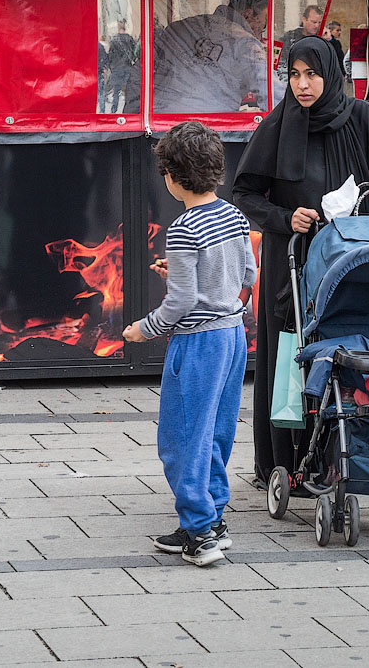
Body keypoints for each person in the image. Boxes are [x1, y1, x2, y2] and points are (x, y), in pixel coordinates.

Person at [233, 36, 369, 487]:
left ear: (331, 73)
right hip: (293, 259)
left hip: (351, 256)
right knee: (291, 353)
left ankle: (353, 449)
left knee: (347, 344)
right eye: (293, 75)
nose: (303, 84)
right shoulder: (277, 125)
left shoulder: (359, 116)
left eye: (311, 73)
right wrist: (283, 216)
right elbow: (244, 193)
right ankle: (288, 462)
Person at [123, 122, 257, 566]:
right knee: (216, 431)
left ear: (173, 176)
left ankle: (199, 534)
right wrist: (216, 300)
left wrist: (146, 328)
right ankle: (212, 517)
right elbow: (247, 277)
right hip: (232, 338)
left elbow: (179, 303)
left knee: (182, 438)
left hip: (197, 345)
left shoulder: (183, 229)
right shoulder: (234, 215)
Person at [126, 0, 283, 114]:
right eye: (263, 25)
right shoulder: (243, 41)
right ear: (248, 14)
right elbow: (270, 91)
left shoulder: (178, 28)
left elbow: (140, 73)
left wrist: (132, 120)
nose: (260, 34)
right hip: (209, 133)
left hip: (159, 126)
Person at [277, 4, 323, 81]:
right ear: (304, 20)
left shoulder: (321, 40)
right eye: (314, 22)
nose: (317, 26)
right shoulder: (289, 38)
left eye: (319, 23)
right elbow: (280, 63)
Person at [107, 20, 136, 114]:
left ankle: (113, 110)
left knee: (116, 91)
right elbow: (134, 53)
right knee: (128, 91)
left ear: (118, 28)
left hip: (117, 69)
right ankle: (127, 110)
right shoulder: (130, 38)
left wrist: (111, 67)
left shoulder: (114, 40)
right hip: (127, 67)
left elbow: (110, 56)